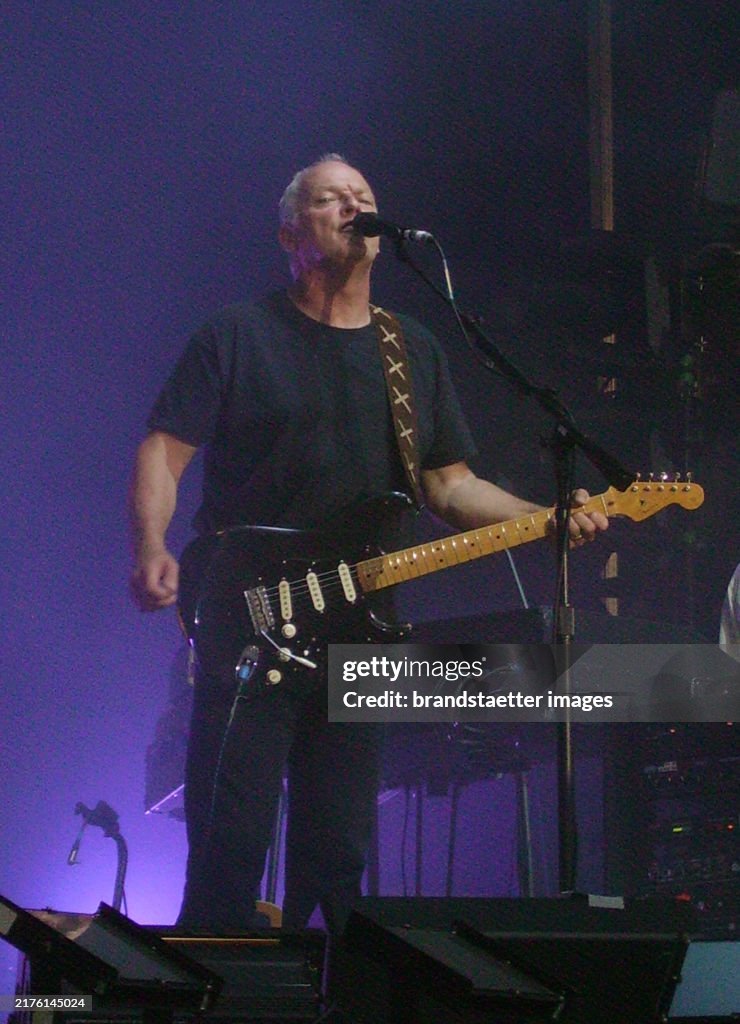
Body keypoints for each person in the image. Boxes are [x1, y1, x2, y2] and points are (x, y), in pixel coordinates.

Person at [129, 154, 608, 935]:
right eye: (330, 199)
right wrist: (153, 542)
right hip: (252, 621)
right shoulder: (238, 336)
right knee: (230, 844)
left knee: (340, 855)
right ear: (292, 231)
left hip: (364, 629)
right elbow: (164, 448)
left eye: (364, 197)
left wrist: (544, 515)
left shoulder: (408, 348)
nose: (353, 206)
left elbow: (448, 486)